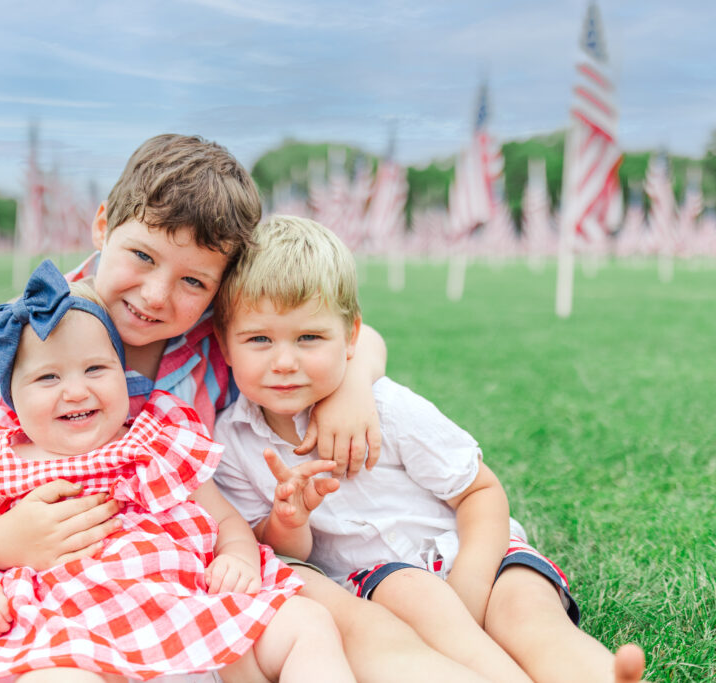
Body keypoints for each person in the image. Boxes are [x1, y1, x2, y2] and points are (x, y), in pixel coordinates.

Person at [0, 134, 389, 682]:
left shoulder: (200, 366)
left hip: (181, 582)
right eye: (141, 255)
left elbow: (339, 335)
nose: (157, 295)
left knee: (319, 618)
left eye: (193, 280)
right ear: (102, 226)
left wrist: (353, 385)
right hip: (51, 593)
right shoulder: (31, 338)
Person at [210, 214, 649, 683]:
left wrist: (470, 589)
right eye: (259, 339)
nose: (284, 361)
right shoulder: (233, 442)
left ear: (351, 337)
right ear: (224, 345)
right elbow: (282, 549)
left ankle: (601, 675)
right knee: (413, 591)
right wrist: (287, 519)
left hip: (480, 553)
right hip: (382, 582)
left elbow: (480, 493)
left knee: (529, 614)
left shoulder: (384, 406)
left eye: (309, 338)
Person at [0, 260, 355, 682]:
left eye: (96, 369)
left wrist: (236, 555)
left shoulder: (153, 439)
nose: (76, 390)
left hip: (194, 607)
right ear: (10, 395)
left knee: (306, 623)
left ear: (122, 372)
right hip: (73, 632)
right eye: (48, 378)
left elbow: (223, 517)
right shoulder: (3, 459)